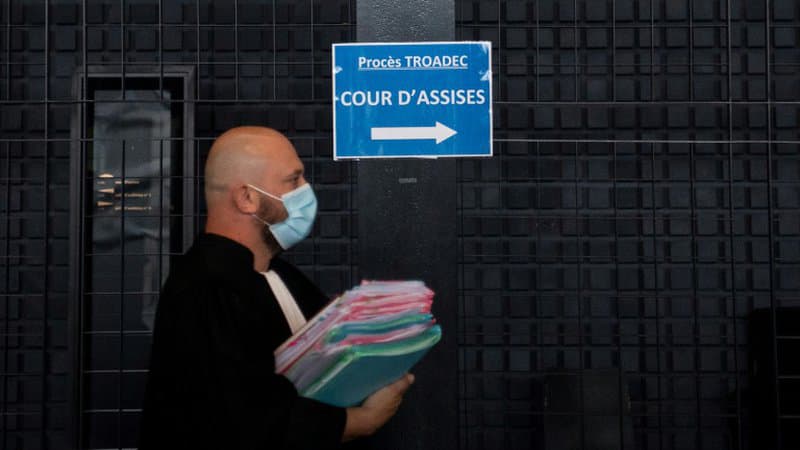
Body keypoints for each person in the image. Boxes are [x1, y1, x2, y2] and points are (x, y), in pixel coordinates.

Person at [139, 126, 414, 449]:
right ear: (247, 198)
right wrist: (361, 421)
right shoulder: (206, 288)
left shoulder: (280, 275)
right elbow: (240, 421)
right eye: (293, 180)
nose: (306, 190)